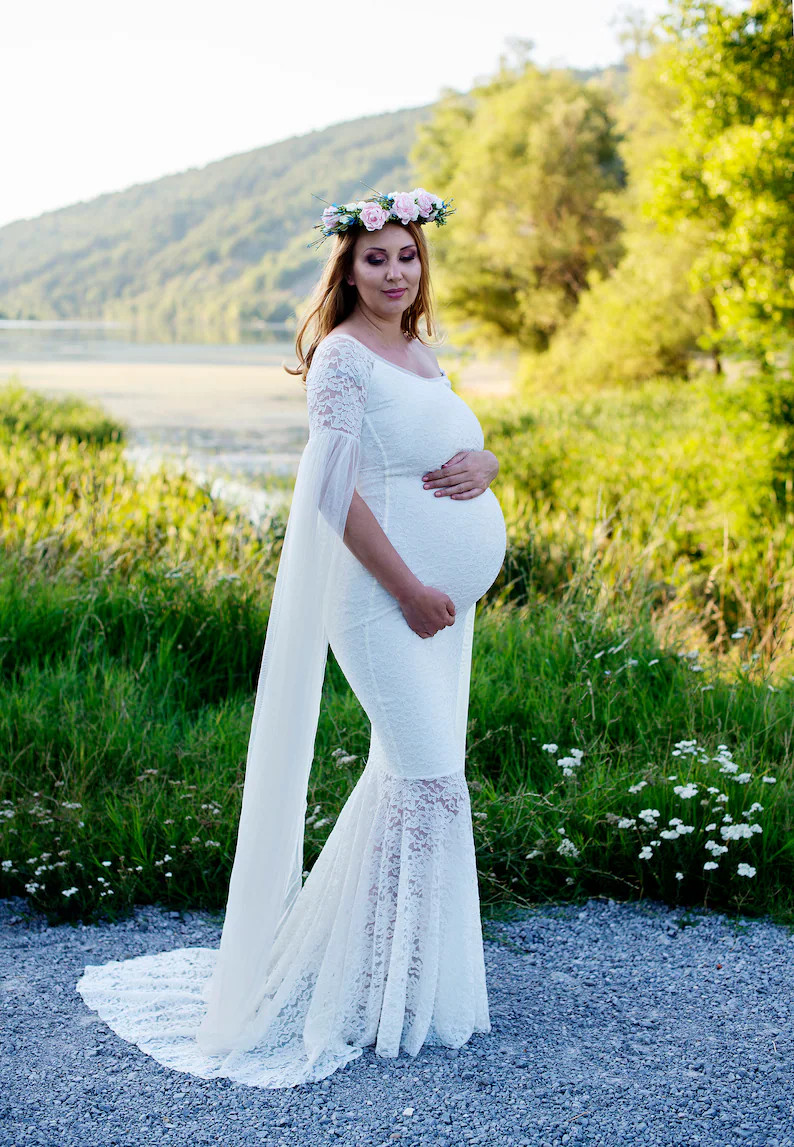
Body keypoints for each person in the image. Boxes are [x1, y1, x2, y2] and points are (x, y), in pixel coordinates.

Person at [76, 187, 507, 1089]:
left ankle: (385, 975)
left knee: (415, 780)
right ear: (345, 268)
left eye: (408, 255)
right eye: (376, 258)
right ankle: (378, 989)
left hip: (443, 610)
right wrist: (412, 587)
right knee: (429, 784)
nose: (396, 272)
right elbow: (331, 491)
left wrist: (488, 461)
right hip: (385, 601)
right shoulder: (342, 360)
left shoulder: (419, 350)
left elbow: (448, 443)